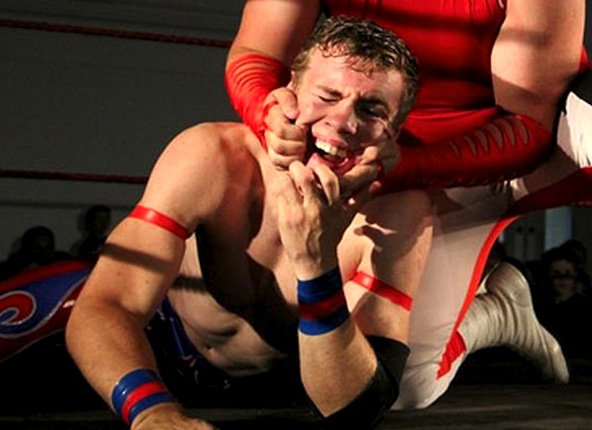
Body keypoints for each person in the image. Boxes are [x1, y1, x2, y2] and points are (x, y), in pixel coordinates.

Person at [64, 17, 432, 429]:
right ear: (290, 91)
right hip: (158, 347)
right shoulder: (214, 156)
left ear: (394, 131)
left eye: (371, 109)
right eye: (327, 96)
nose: (343, 122)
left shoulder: (397, 214)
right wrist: (151, 411)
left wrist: (316, 264)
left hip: (290, 391)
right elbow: (107, 303)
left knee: (422, 380)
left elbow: (358, 406)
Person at [225, 0, 589, 409]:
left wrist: (408, 166)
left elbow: (530, 126)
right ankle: (498, 313)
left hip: (530, 145)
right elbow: (258, 53)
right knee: (404, 385)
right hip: (392, 154)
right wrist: (268, 115)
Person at [0, 225, 72, 281]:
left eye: (48, 249)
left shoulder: (63, 262)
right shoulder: (10, 268)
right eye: (37, 249)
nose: (43, 253)